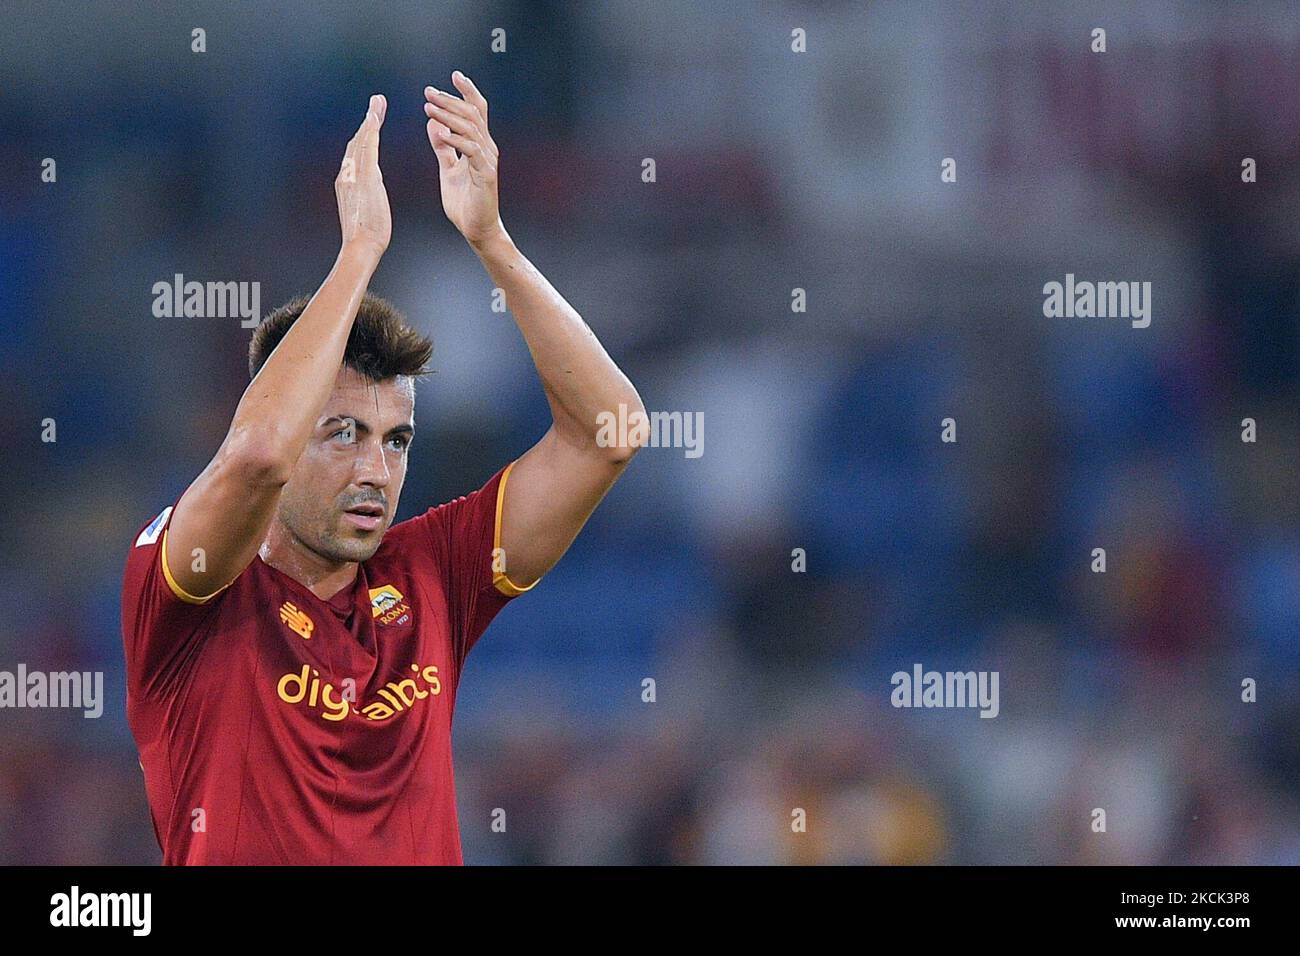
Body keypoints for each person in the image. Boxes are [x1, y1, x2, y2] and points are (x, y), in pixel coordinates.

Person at [121, 74, 646, 864]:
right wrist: (359, 253)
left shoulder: (434, 573)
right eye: (342, 434)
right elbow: (258, 456)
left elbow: (609, 433)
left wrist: (492, 241)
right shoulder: (190, 590)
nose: (377, 468)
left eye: (396, 440)